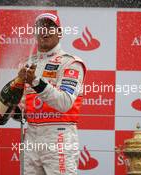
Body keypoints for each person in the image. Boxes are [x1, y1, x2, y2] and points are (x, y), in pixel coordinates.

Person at [18, 13, 86, 175]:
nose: (44, 31)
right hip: (32, 135)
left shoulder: (70, 62)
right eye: (40, 27)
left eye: (50, 27)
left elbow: (64, 103)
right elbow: (22, 107)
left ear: (60, 32)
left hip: (59, 136)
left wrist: (36, 81)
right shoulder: (27, 64)